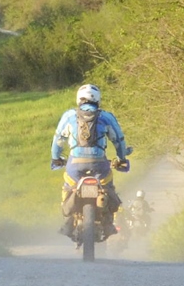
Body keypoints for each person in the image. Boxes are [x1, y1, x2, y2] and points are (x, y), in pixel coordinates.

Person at [51, 83, 132, 236]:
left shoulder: (69, 116)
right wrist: (121, 158)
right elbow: (119, 140)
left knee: (68, 187)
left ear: (78, 99)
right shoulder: (106, 117)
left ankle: (68, 221)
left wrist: (56, 158)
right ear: (98, 99)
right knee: (107, 187)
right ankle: (108, 223)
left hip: (75, 165)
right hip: (100, 165)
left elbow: (58, 141)